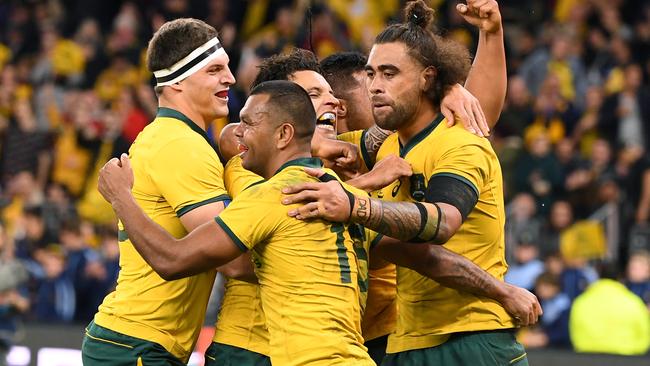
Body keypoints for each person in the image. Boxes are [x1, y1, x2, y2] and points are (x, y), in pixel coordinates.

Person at [282, 1, 539, 365]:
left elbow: (444, 221)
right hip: (408, 341)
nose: (375, 86)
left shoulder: (460, 142)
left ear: (426, 77)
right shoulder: (384, 144)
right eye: (371, 75)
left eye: (389, 74)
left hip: (471, 338)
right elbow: (292, 141)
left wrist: (356, 204)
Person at [98, 80, 375, 365]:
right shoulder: (347, 197)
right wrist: (371, 198)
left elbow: (173, 260)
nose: (239, 130)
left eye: (248, 123)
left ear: (284, 134)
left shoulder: (271, 195)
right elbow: (418, 247)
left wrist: (120, 197)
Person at [81, 18, 237, 365]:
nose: (230, 78)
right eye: (214, 69)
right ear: (178, 81)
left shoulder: (166, 136)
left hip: (131, 339)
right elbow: (234, 259)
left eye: (226, 67)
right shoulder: (180, 146)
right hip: (139, 343)